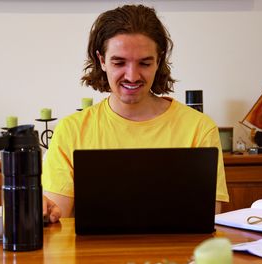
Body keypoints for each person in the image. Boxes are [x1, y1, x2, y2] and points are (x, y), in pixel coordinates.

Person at [42, 4, 229, 223]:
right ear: (102, 60)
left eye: (144, 63)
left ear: (158, 61)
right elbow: (58, 219)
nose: (132, 76)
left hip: (175, 256)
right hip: (93, 256)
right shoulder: (71, 130)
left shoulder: (199, 127)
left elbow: (208, 217)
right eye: (119, 62)